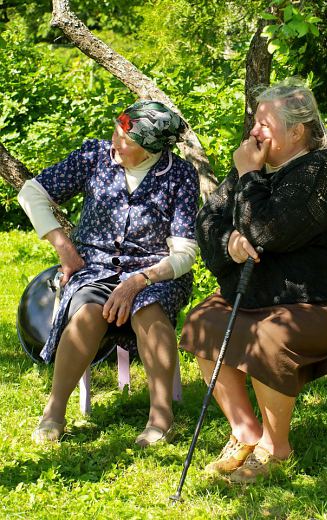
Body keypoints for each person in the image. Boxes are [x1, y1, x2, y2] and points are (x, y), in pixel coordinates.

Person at [180, 79, 327, 483]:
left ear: (297, 131)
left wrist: (248, 182)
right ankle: (245, 433)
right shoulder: (254, 168)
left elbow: (270, 230)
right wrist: (230, 244)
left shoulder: (325, 171)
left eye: (264, 124)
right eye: (255, 122)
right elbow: (208, 221)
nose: (254, 132)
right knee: (201, 321)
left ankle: (276, 449)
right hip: (268, 293)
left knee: (269, 336)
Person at [18, 100, 199, 446]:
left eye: (125, 140)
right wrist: (63, 245)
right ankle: (54, 412)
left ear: (148, 151)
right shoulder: (94, 157)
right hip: (94, 267)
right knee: (87, 312)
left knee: (149, 310)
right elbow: (31, 192)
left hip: (154, 271)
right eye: (115, 131)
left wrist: (139, 280)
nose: (115, 142)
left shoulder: (180, 176)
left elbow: (185, 253)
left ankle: (161, 418)